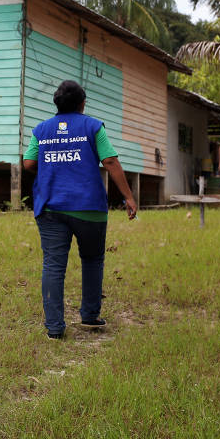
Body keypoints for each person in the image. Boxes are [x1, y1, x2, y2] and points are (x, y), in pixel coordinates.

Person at [23, 80, 137, 339]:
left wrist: (54, 165)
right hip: (88, 208)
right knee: (93, 259)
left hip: (50, 206)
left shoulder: (41, 130)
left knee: (53, 265)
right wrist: (128, 197)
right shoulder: (93, 126)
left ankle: (54, 328)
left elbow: (29, 162)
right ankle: (89, 316)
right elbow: (109, 160)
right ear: (82, 103)